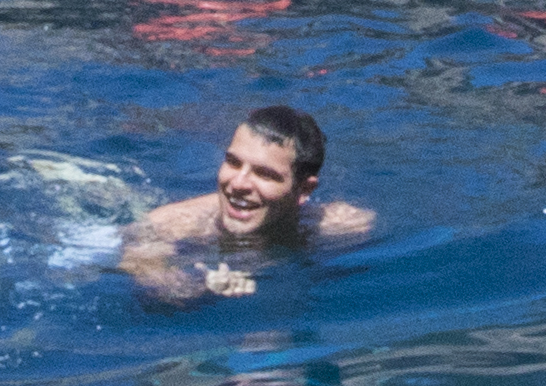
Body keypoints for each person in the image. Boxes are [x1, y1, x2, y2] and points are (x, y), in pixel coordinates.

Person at [122, 102, 372, 300]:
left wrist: (258, 266)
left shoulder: (344, 225)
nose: (238, 184)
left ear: (304, 190)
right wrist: (200, 288)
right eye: (233, 162)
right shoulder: (168, 225)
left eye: (264, 174)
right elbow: (154, 284)